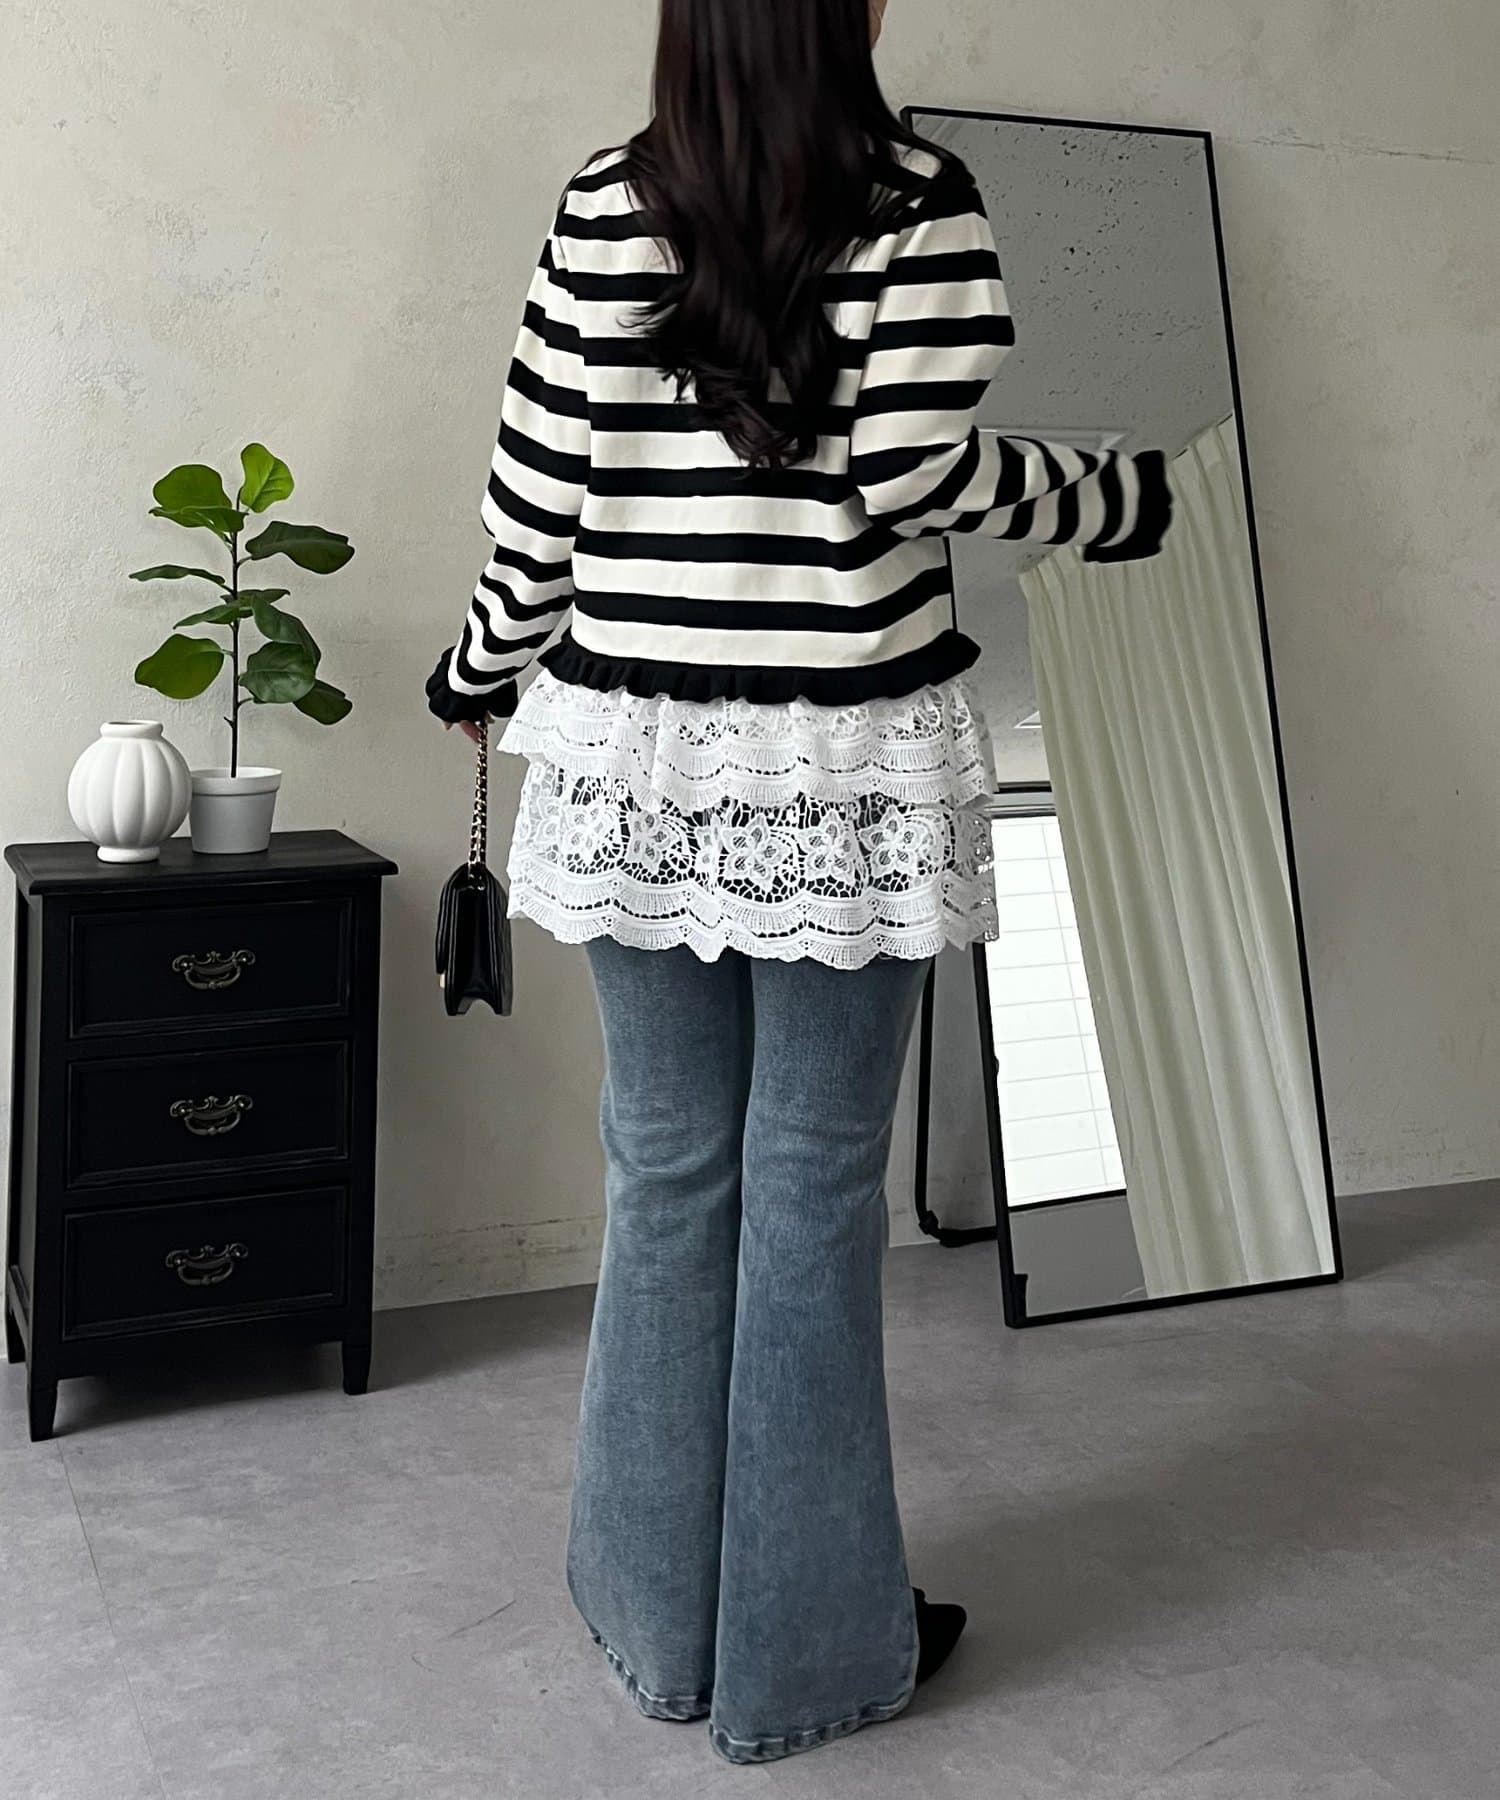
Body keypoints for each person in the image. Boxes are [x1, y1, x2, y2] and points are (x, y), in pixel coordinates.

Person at [427, 0, 1172, 1765]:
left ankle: (654, 1621)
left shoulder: (605, 199)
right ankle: (808, 1657)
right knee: (814, 1191)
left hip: (634, 751)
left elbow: (539, 498)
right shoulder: (920, 200)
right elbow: (915, 469)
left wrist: (476, 669)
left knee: (665, 1172)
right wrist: (1107, 497)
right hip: (840, 759)